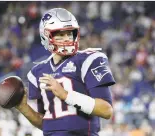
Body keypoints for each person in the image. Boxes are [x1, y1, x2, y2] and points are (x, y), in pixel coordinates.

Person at [15, 8, 115, 136]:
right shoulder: (37, 72)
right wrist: (24, 108)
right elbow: (48, 123)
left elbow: (106, 110)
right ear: (46, 36)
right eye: (61, 34)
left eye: (70, 33)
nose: (67, 38)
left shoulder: (88, 60)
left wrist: (66, 95)